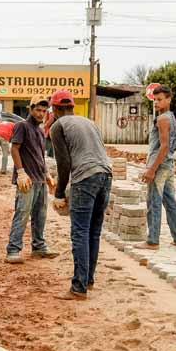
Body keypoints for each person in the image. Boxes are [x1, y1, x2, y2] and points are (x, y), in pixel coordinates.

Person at [49, 89, 112, 300]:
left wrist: (59, 193)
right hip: (105, 176)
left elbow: (64, 163)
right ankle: (89, 279)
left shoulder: (58, 126)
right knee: (93, 231)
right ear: (73, 106)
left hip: (85, 179)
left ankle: (78, 287)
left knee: (80, 232)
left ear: (55, 109)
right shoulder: (89, 122)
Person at [5, 95, 58, 264]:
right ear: (30, 109)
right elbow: (14, 149)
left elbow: (39, 156)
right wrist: (21, 172)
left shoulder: (40, 130)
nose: (41, 113)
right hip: (26, 180)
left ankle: (39, 247)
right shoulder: (22, 126)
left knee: (40, 215)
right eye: (38, 110)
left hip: (39, 179)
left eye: (44, 111)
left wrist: (47, 175)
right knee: (22, 214)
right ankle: (13, 250)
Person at [136, 84, 176, 250]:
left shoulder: (163, 119)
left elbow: (163, 147)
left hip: (160, 165)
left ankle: (153, 240)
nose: (156, 103)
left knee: (153, 202)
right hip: (169, 164)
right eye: (155, 100)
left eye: (160, 100)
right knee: (170, 201)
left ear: (168, 99)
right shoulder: (170, 116)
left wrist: (151, 169)